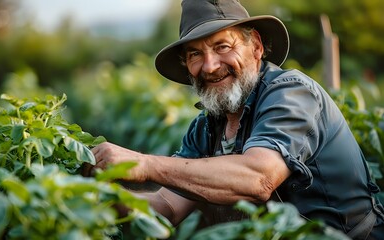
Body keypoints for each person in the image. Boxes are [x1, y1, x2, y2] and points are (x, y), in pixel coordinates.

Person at [85, 0, 384, 238]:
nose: (210, 66)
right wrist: (99, 192)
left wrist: (146, 164)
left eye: (222, 47)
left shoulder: (291, 94)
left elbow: (259, 177)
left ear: (255, 46)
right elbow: (166, 208)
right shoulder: (206, 127)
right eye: (195, 55)